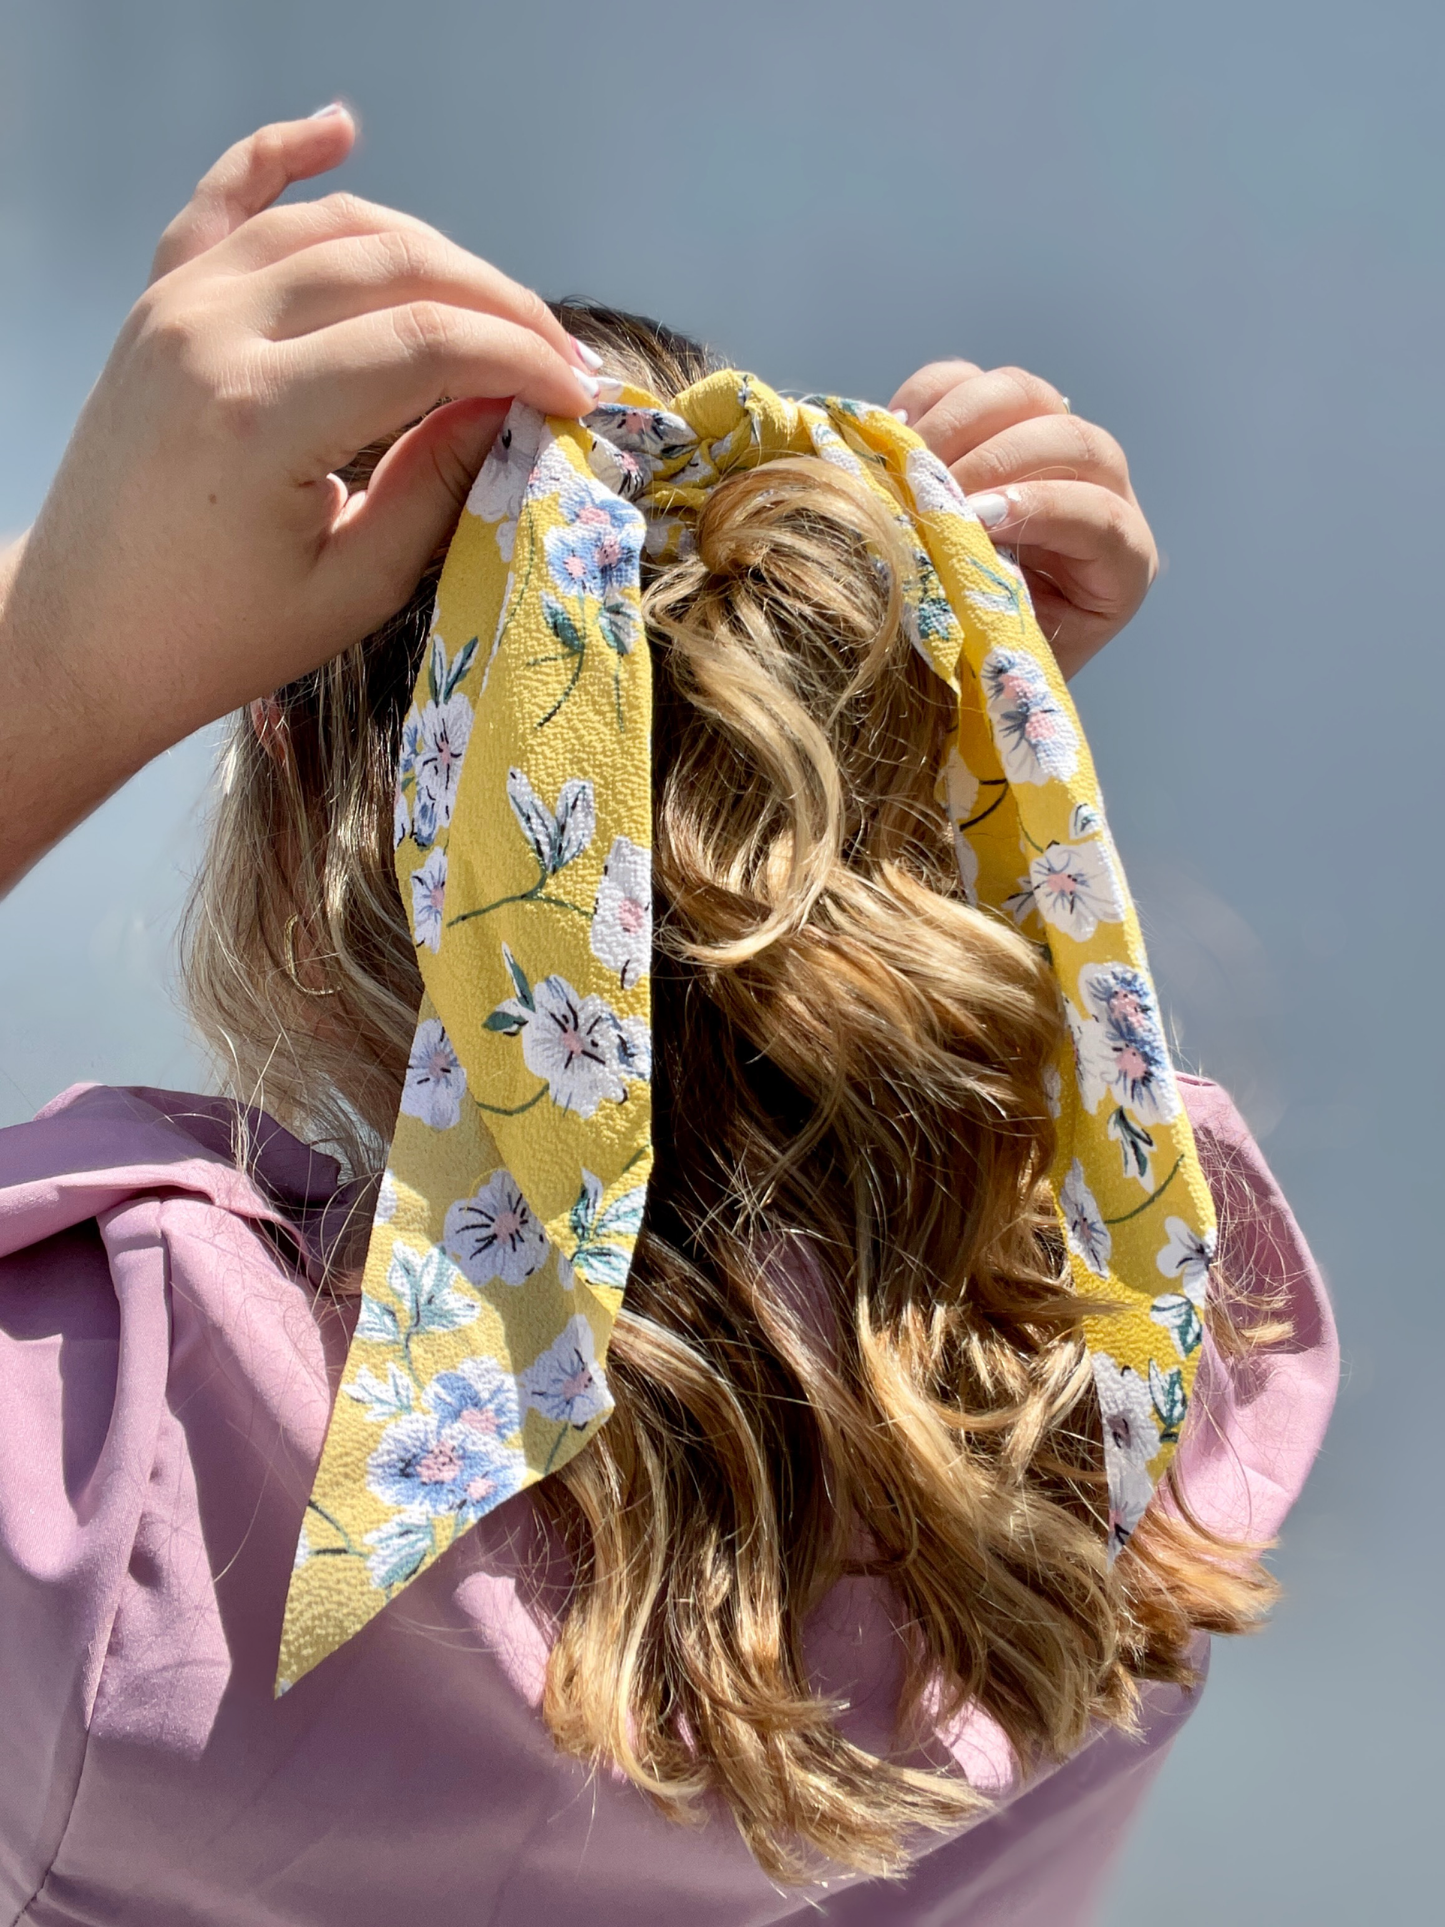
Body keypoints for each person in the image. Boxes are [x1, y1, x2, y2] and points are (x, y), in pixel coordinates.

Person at [0, 112, 1336, 1927]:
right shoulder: (1118, 1390)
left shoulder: (111, 1407)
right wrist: (900, 786)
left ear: (287, 754)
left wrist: (59, 649)